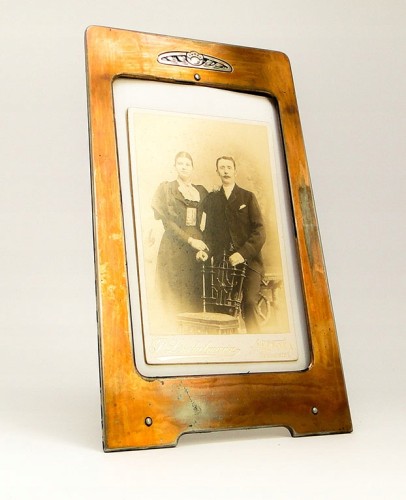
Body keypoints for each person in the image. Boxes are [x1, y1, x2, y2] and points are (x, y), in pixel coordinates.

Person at [197, 156, 266, 333]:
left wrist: (242, 254)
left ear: (235, 171)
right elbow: (210, 235)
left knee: (248, 302)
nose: (226, 171)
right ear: (217, 171)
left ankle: (256, 341)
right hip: (224, 265)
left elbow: (260, 232)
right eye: (222, 167)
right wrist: (206, 251)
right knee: (221, 306)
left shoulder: (247, 197)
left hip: (249, 263)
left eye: (229, 167)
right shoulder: (212, 200)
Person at [152, 151, 208, 316]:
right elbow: (168, 223)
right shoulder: (167, 189)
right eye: (180, 164)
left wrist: (201, 243)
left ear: (192, 168)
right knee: (174, 293)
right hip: (173, 246)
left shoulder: (201, 191)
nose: (184, 167)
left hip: (195, 249)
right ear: (175, 166)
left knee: (193, 293)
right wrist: (190, 240)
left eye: (187, 164)